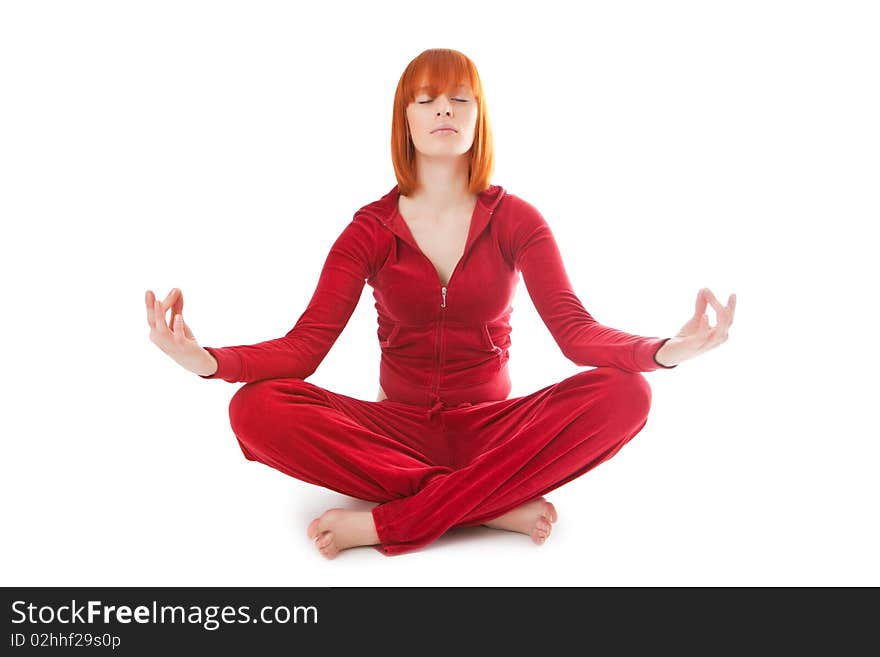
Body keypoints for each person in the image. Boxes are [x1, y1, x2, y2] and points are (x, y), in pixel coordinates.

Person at [145, 48, 736, 559]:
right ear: (405, 120)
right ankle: (484, 505)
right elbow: (303, 348)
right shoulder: (369, 230)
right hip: (392, 431)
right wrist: (208, 361)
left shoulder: (517, 220)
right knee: (255, 410)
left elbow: (576, 332)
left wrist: (664, 350)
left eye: (460, 99)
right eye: (427, 100)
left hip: (495, 431)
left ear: (480, 118)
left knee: (629, 391)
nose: (445, 111)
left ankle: (396, 517)